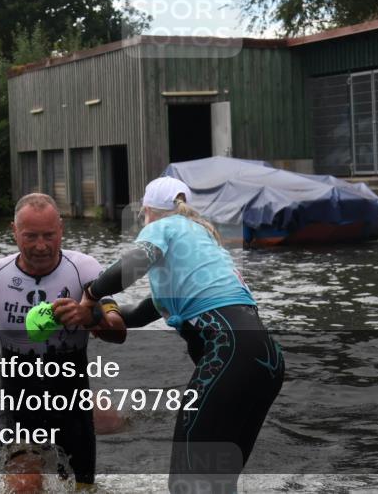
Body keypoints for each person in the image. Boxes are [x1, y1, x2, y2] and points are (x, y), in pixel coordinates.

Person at [76, 177, 285, 494]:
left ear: (146, 211)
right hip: (267, 361)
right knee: (218, 485)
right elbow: (141, 313)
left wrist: (90, 293)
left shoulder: (164, 226)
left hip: (229, 354)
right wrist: (100, 315)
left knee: (186, 484)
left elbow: (131, 266)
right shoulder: (200, 242)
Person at [0, 193, 126, 492]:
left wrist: (89, 316)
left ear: (61, 230)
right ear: (14, 231)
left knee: (81, 488)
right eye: (30, 236)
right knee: (25, 484)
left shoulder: (85, 270)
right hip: (18, 402)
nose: (40, 246)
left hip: (73, 403)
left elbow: (119, 332)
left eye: (48, 235)